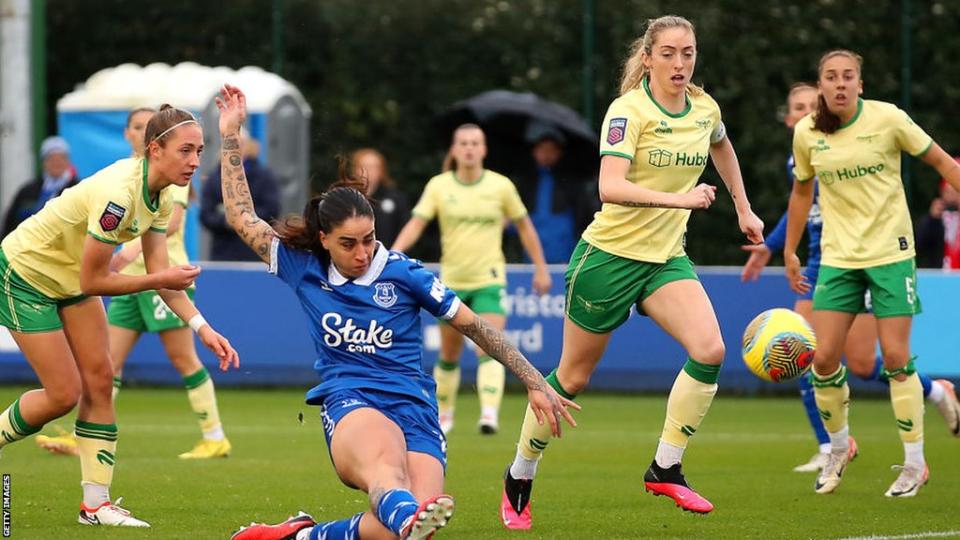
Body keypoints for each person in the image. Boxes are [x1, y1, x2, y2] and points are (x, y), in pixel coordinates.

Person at [213, 85, 576, 540]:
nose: (363, 252)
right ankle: (401, 513)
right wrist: (230, 135)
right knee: (391, 481)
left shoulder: (406, 274)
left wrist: (534, 381)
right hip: (351, 400)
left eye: (368, 238)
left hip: (415, 407)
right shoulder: (301, 265)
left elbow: (476, 327)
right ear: (323, 239)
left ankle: (299, 536)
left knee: (406, 528)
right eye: (348, 243)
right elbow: (242, 215)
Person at [498, 15, 764, 527]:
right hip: (608, 259)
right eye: (668, 53)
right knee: (571, 378)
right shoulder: (628, 111)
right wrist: (681, 198)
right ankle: (520, 473)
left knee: (710, 350)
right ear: (647, 58)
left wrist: (743, 208)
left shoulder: (704, 107)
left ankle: (666, 467)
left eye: (687, 53)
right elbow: (609, 187)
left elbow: (721, 145)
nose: (680, 63)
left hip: (665, 259)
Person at [0, 104, 239, 527]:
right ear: (155, 149)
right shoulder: (119, 194)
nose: (195, 161)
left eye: (199, 151)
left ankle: (96, 505)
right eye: (186, 150)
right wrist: (159, 277)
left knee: (100, 382)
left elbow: (162, 277)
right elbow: (98, 281)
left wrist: (202, 327)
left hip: (71, 281)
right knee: (62, 394)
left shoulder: (161, 196)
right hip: (25, 274)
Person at [742, 85, 960, 473]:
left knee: (861, 363)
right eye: (799, 107)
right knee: (810, 355)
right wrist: (775, 246)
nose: (809, 111)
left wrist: (774, 245)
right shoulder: (802, 153)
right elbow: (800, 204)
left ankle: (935, 391)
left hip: (856, 259)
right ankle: (831, 446)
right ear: (790, 119)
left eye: (814, 104)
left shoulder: (843, 145)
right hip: (819, 264)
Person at [35, 107, 233, 459]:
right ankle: (87, 439)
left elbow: (170, 225)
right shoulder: (126, 182)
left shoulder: (170, 178)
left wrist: (127, 255)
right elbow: (95, 272)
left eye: (199, 151)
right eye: (138, 126)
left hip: (160, 278)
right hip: (128, 281)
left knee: (185, 359)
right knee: (106, 365)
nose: (194, 160)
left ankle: (214, 435)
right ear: (134, 136)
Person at [391, 124, 552, 436]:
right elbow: (417, 223)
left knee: (490, 346)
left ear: (484, 149)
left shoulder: (500, 186)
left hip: (490, 279)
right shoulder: (439, 186)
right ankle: (444, 416)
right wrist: (394, 253)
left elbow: (525, 227)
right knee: (449, 354)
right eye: (463, 143)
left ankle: (489, 414)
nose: (468, 148)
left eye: (474, 143)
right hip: (451, 282)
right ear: (454, 149)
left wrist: (541, 268)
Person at [510, 129, 600, 264]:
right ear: (534, 152)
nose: (546, 154)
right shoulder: (524, 182)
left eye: (551, 150)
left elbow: (584, 217)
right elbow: (516, 221)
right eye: (542, 149)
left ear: (559, 153)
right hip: (530, 257)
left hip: (566, 255)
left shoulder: (572, 182)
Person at [200, 128, 280, 261]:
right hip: (222, 254)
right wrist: (226, 221)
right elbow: (205, 214)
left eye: (239, 144)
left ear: (248, 145)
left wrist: (242, 219)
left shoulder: (264, 176)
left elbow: (272, 210)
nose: (235, 149)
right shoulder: (214, 177)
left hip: (255, 253)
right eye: (230, 145)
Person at [2, 135, 81, 238]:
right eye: (51, 158)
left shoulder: (78, 190)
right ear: (44, 162)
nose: (56, 162)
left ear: (68, 161)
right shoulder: (27, 191)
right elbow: (10, 223)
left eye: (61, 158)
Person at [351, 148, 411, 249]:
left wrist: (394, 253)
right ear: (355, 169)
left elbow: (406, 229)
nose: (369, 171)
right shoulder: (346, 197)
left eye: (375, 167)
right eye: (365, 166)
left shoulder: (395, 198)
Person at [915, 166, 960, 269]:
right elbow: (917, 245)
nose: (953, 196)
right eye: (948, 191)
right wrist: (931, 219)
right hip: (938, 276)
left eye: (956, 191)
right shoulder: (936, 218)